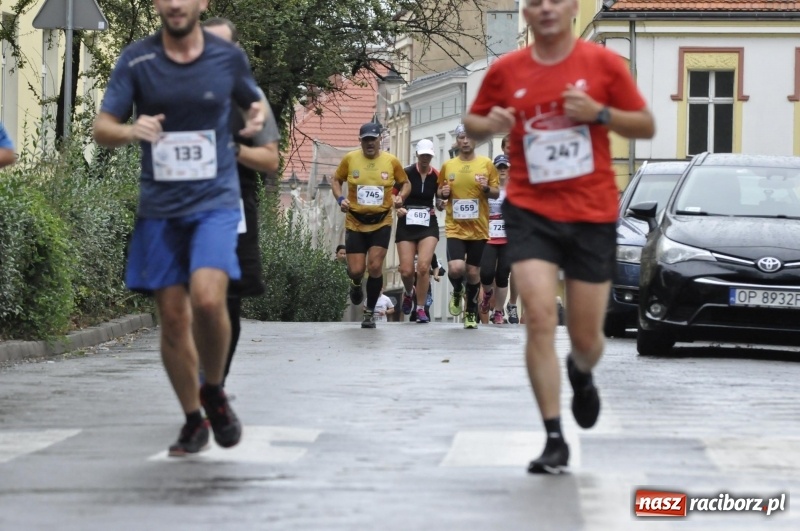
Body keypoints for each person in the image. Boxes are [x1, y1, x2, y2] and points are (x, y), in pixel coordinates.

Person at [464, 0, 655, 474]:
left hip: (591, 213)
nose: (546, 8)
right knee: (539, 318)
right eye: (535, 2)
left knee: (587, 338)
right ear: (525, 13)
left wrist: (599, 113)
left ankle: (582, 371)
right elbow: (472, 123)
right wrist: (492, 125)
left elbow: (646, 124)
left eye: (555, 0)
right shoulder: (507, 70)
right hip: (530, 210)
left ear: (571, 7)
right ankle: (553, 436)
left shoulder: (604, 63)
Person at [92, 0, 268, 457]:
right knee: (172, 318)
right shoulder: (137, 59)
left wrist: (254, 120)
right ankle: (194, 418)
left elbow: (254, 107)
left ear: (200, 4)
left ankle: (213, 389)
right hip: (160, 208)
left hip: (214, 202)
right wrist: (133, 130)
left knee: (210, 299)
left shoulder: (226, 57)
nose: (174, 4)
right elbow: (102, 126)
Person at [202, 17, 281, 387]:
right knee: (190, 298)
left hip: (235, 204)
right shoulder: (174, 91)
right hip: (185, 203)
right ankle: (199, 374)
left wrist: (233, 150)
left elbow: (270, 160)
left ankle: (214, 382)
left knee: (228, 300)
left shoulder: (252, 99)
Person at [332, 122, 410, 328]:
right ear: (360, 141)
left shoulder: (391, 161)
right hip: (355, 222)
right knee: (357, 270)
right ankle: (356, 283)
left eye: (373, 139)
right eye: (365, 139)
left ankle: (369, 312)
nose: (369, 143)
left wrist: (401, 197)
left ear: (379, 140)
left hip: (381, 222)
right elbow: (335, 180)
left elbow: (406, 183)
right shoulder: (350, 159)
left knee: (375, 267)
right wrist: (341, 200)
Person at [437, 124, 500, 329]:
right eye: (461, 137)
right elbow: (440, 192)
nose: (465, 141)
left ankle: (471, 313)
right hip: (455, 226)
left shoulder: (486, 164)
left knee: (474, 273)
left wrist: (486, 188)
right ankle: (457, 290)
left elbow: (496, 192)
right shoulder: (449, 166)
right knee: (456, 268)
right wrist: (443, 194)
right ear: (457, 140)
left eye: (469, 137)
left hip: (478, 227)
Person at [395, 138, 440, 323]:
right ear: (417, 155)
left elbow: (439, 201)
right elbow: (393, 197)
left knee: (423, 267)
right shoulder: (406, 173)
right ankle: (408, 292)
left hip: (428, 223)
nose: (425, 159)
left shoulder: (437, 175)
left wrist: (442, 203)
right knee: (406, 271)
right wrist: (398, 207)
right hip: (407, 221)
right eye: (422, 155)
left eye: (428, 156)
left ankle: (420, 308)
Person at [479, 154, 512, 325]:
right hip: (489, 234)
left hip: (508, 236)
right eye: (499, 168)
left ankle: (498, 311)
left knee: (503, 274)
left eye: (505, 167)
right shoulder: (488, 188)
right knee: (486, 273)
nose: (502, 171)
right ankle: (487, 294)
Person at [501, 135, 520, 324]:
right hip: (495, 222)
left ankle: (512, 305)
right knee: (498, 268)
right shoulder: (495, 168)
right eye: (508, 146)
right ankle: (495, 306)